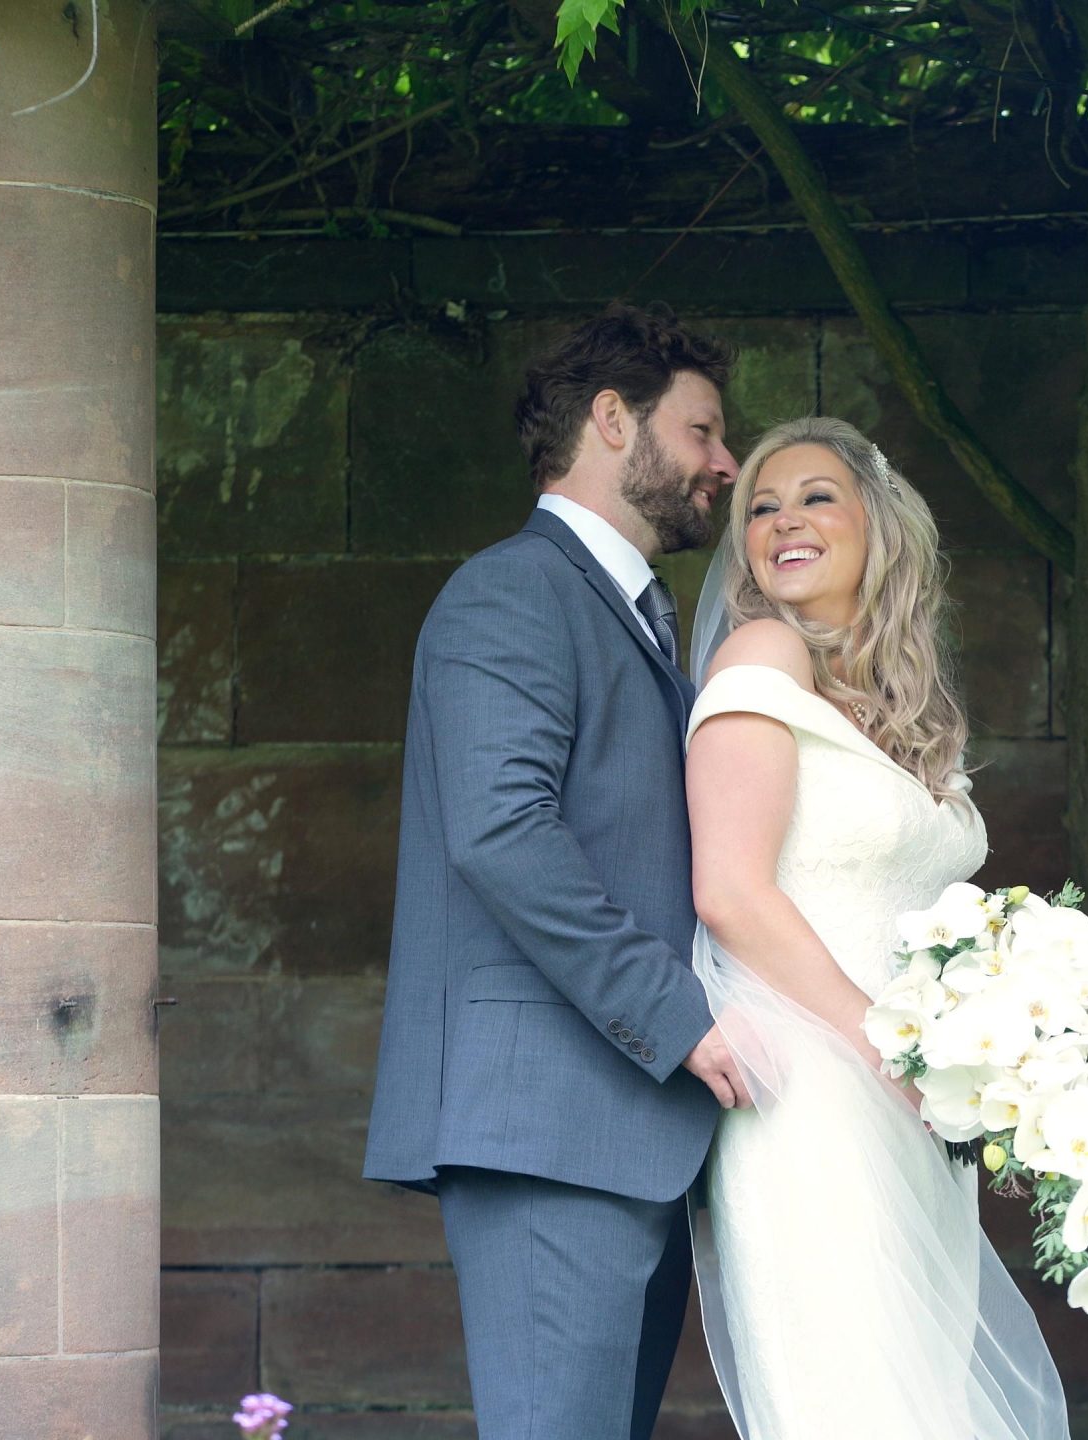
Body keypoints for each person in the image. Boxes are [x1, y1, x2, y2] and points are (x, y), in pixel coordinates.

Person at [361, 303, 751, 1440]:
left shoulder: (641, 614)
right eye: (703, 432)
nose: (725, 464)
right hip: (550, 1125)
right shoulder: (513, 592)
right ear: (612, 418)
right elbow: (504, 834)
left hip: (624, 1130)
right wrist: (681, 1018)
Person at [680, 416, 1070, 1438]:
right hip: (815, 1089)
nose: (780, 521)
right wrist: (889, 1046)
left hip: (905, 1098)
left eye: (814, 495)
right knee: (855, 1395)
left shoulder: (894, 701)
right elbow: (728, 889)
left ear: (878, 523)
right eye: (759, 506)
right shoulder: (761, 651)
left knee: (917, 1389)